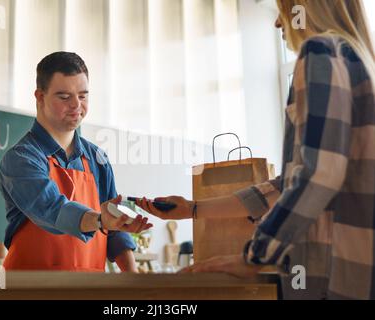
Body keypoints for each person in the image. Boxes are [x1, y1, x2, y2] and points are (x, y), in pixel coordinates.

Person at [137, 0, 375, 299]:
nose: (279, 23)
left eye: (283, 11)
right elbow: (290, 185)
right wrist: (194, 208)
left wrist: (256, 256)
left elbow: (318, 175)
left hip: (332, 278)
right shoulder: (359, 63)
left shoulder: (320, 52)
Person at [0, 52, 152, 272]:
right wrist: (101, 221)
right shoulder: (21, 159)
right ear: (40, 97)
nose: (76, 105)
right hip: (30, 289)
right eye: (64, 96)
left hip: (88, 290)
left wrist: (134, 279)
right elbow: (52, 209)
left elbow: (114, 228)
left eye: (83, 95)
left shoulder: (98, 159)